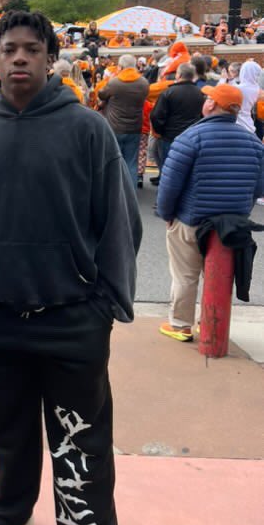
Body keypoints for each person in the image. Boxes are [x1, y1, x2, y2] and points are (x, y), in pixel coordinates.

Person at [0, 10, 141, 525]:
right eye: (10, 49)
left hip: (72, 316)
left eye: (33, 48)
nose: (21, 58)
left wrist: (106, 303)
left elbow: (119, 224)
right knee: (7, 433)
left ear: (51, 59)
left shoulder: (87, 128)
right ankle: (8, 514)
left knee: (80, 442)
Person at [156, 84, 264, 341]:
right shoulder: (253, 143)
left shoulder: (190, 138)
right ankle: (212, 323)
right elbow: (259, 185)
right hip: (231, 222)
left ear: (212, 105)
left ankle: (180, 325)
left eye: (208, 98)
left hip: (191, 218)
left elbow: (170, 184)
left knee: (185, 274)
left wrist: (166, 214)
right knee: (219, 274)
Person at [97, 54, 149, 184]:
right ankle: (130, 192)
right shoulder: (143, 83)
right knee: (131, 162)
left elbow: (101, 94)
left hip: (115, 127)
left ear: (120, 66)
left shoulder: (115, 82)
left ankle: (116, 190)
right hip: (135, 127)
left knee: (114, 162)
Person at [149, 63, 205, 167]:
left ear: (178, 75)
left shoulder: (168, 92)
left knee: (168, 168)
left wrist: (160, 132)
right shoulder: (200, 93)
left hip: (169, 137)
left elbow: (156, 116)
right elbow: (203, 116)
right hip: (192, 136)